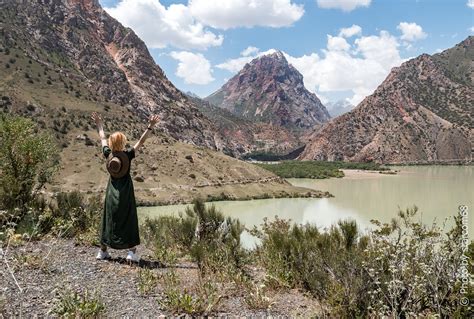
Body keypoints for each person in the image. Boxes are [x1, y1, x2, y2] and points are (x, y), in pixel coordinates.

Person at [91, 112, 160, 262]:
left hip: (111, 192)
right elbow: (141, 142)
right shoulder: (127, 155)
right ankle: (131, 252)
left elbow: (102, 138)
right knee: (128, 219)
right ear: (122, 143)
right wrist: (150, 126)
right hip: (126, 192)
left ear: (111, 144)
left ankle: (102, 251)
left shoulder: (108, 155)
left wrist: (99, 124)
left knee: (109, 218)